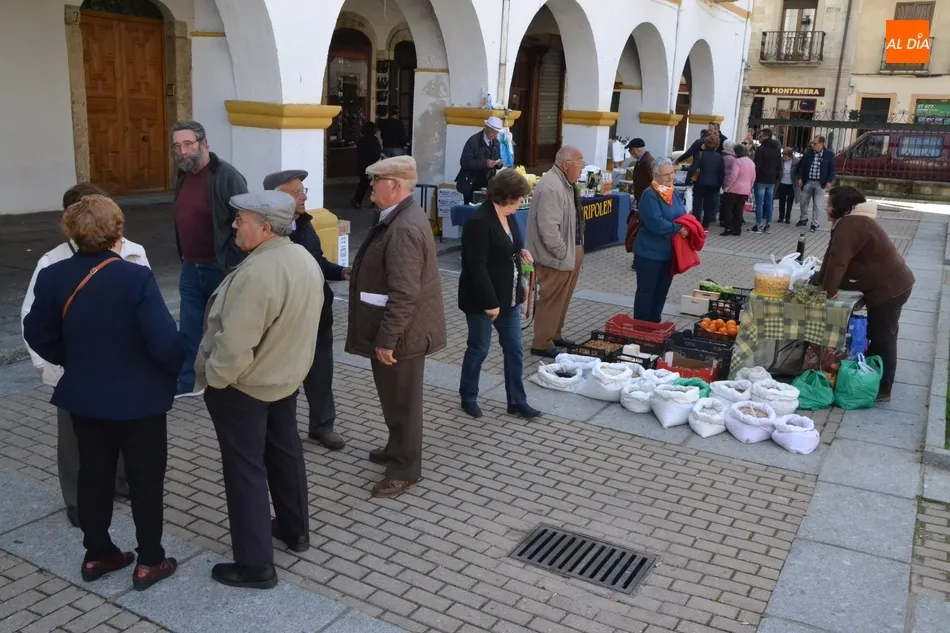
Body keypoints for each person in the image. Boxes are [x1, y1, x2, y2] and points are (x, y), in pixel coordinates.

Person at [23, 195, 184, 591]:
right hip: (139, 400)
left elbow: (35, 330)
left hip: (85, 396)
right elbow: (165, 343)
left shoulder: (53, 274)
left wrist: (71, 360)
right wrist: (166, 372)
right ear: (117, 230)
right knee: (146, 481)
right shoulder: (134, 277)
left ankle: (98, 553)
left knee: (93, 475)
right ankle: (149, 560)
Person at [196, 191, 324, 589]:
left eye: (242, 220)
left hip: (245, 387)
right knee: (285, 453)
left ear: (266, 228)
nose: (234, 225)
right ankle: (294, 529)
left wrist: (215, 379)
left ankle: (255, 566)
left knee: (245, 471)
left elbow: (235, 345)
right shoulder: (302, 257)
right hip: (284, 379)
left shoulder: (257, 272)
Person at [21, 184, 141, 528]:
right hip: (72, 370)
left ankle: (119, 483)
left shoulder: (133, 252)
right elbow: (33, 320)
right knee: (73, 439)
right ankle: (77, 499)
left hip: (121, 366)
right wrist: (49, 364)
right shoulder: (52, 262)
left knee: (120, 426)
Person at [345, 156, 447, 499]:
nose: (371, 187)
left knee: (403, 402)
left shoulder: (403, 228)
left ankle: (405, 468)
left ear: (396, 187)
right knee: (393, 399)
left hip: (401, 336)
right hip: (396, 332)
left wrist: (387, 340)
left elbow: (404, 293)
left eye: (377, 182)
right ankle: (396, 447)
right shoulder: (398, 217)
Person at [264, 169, 351, 450]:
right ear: (276, 197)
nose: (303, 197)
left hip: (317, 312)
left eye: (304, 191)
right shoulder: (266, 229)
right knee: (282, 376)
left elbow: (317, 262)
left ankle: (322, 426)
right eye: (296, 192)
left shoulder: (305, 222)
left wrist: (343, 272)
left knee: (321, 372)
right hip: (287, 317)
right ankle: (281, 431)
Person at [170, 120, 248, 398]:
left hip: (220, 267)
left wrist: (232, 260)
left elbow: (245, 219)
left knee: (224, 330)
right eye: (177, 146)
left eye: (188, 144)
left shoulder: (226, 176)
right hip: (191, 267)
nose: (182, 151)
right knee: (189, 329)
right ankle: (189, 384)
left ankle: (226, 382)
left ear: (204, 144)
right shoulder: (183, 176)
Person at [813, 186, 914, 403]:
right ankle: (871, 378)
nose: (826, 207)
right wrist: (819, 281)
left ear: (841, 208)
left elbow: (838, 262)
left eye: (830, 204)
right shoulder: (849, 222)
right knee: (878, 335)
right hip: (886, 285)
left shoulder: (851, 225)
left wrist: (828, 292)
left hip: (891, 288)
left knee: (883, 338)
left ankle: (882, 389)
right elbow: (831, 255)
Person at [458, 169, 542, 420]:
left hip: (509, 296)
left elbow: (513, 244)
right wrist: (490, 303)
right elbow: (476, 266)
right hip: (483, 300)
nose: (520, 205)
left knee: (514, 349)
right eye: (518, 200)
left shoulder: (509, 215)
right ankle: (468, 396)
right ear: (506, 196)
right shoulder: (479, 221)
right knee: (479, 349)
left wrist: (522, 251)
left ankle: (517, 400)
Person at [525, 146, 586, 358]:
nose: (583, 167)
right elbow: (548, 228)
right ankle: (542, 342)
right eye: (580, 162)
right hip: (556, 257)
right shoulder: (552, 186)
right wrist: (562, 251)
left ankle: (554, 335)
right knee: (551, 299)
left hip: (569, 252)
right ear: (566, 164)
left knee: (563, 298)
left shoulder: (565, 183)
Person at [633, 158, 687, 322]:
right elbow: (655, 223)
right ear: (655, 176)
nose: (670, 178)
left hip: (668, 254)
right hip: (649, 253)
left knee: (661, 291)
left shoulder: (673, 192)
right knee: (646, 292)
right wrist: (677, 228)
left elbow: (682, 214)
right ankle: (641, 326)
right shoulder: (650, 194)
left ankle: (654, 324)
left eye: (672, 173)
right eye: (665, 175)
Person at [455, 116, 504, 203]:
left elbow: (497, 158)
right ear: (486, 128)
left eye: (497, 132)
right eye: (493, 132)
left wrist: (499, 164)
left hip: (487, 184)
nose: (495, 135)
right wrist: (485, 163)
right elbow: (465, 162)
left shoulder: (496, 142)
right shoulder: (473, 141)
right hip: (472, 184)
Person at [797, 136, 836, 232]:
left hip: (820, 183)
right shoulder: (808, 153)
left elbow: (832, 169)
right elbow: (801, 166)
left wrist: (829, 181)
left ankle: (815, 223)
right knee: (803, 202)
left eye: (815, 143)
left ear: (821, 144)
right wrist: (800, 178)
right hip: (808, 181)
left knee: (817, 205)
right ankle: (803, 218)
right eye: (812, 143)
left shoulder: (829, 155)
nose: (812, 145)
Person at [686, 133, 724, 230]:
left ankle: (695, 221)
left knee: (697, 203)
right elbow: (721, 172)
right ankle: (705, 224)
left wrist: (689, 179)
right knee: (708, 204)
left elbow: (694, 168)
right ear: (717, 145)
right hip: (713, 184)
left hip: (700, 182)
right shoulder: (719, 157)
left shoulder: (701, 154)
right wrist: (719, 184)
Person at [750, 128, 782, 234]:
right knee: (769, 204)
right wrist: (775, 177)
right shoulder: (776, 150)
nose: (759, 137)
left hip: (761, 179)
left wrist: (754, 177)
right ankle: (768, 225)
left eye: (760, 136)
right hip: (771, 180)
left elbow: (757, 165)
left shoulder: (761, 149)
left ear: (765, 136)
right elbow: (779, 166)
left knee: (759, 203)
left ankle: (758, 224)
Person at [721, 144, 756, 237]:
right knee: (739, 210)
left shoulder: (737, 162)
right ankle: (737, 229)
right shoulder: (751, 163)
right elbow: (753, 178)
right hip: (745, 190)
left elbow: (733, 176)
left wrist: (728, 186)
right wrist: (749, 188)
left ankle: (728, 228)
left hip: (734, 189)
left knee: (729, 209)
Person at [352, 122, 382, 208]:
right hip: (373, 166)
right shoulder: (375, 141)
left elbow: (358, 152)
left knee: (363, 185)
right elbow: (377, 154)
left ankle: (357, 201)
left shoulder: (361, 140)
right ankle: (375, 202)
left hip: (362, 166)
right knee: (375, 185)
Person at [625, 138, 654, 204]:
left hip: (647, 199)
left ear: (634, 150)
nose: (630, 152)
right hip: (643, 197)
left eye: (630, 150)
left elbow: (654, 181)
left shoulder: (648, 162)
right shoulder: (642, 160)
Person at [777, 147, 799, 224]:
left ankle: (788, 217)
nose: (784, 158)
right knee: (781, 201)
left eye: (786, 156)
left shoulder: (796, 162)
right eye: (783, 156)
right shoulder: (781, 161)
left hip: (791, 184)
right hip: (782, 183)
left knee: (790, 202)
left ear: (790, 156)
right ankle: (781, 217)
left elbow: (798, 172)